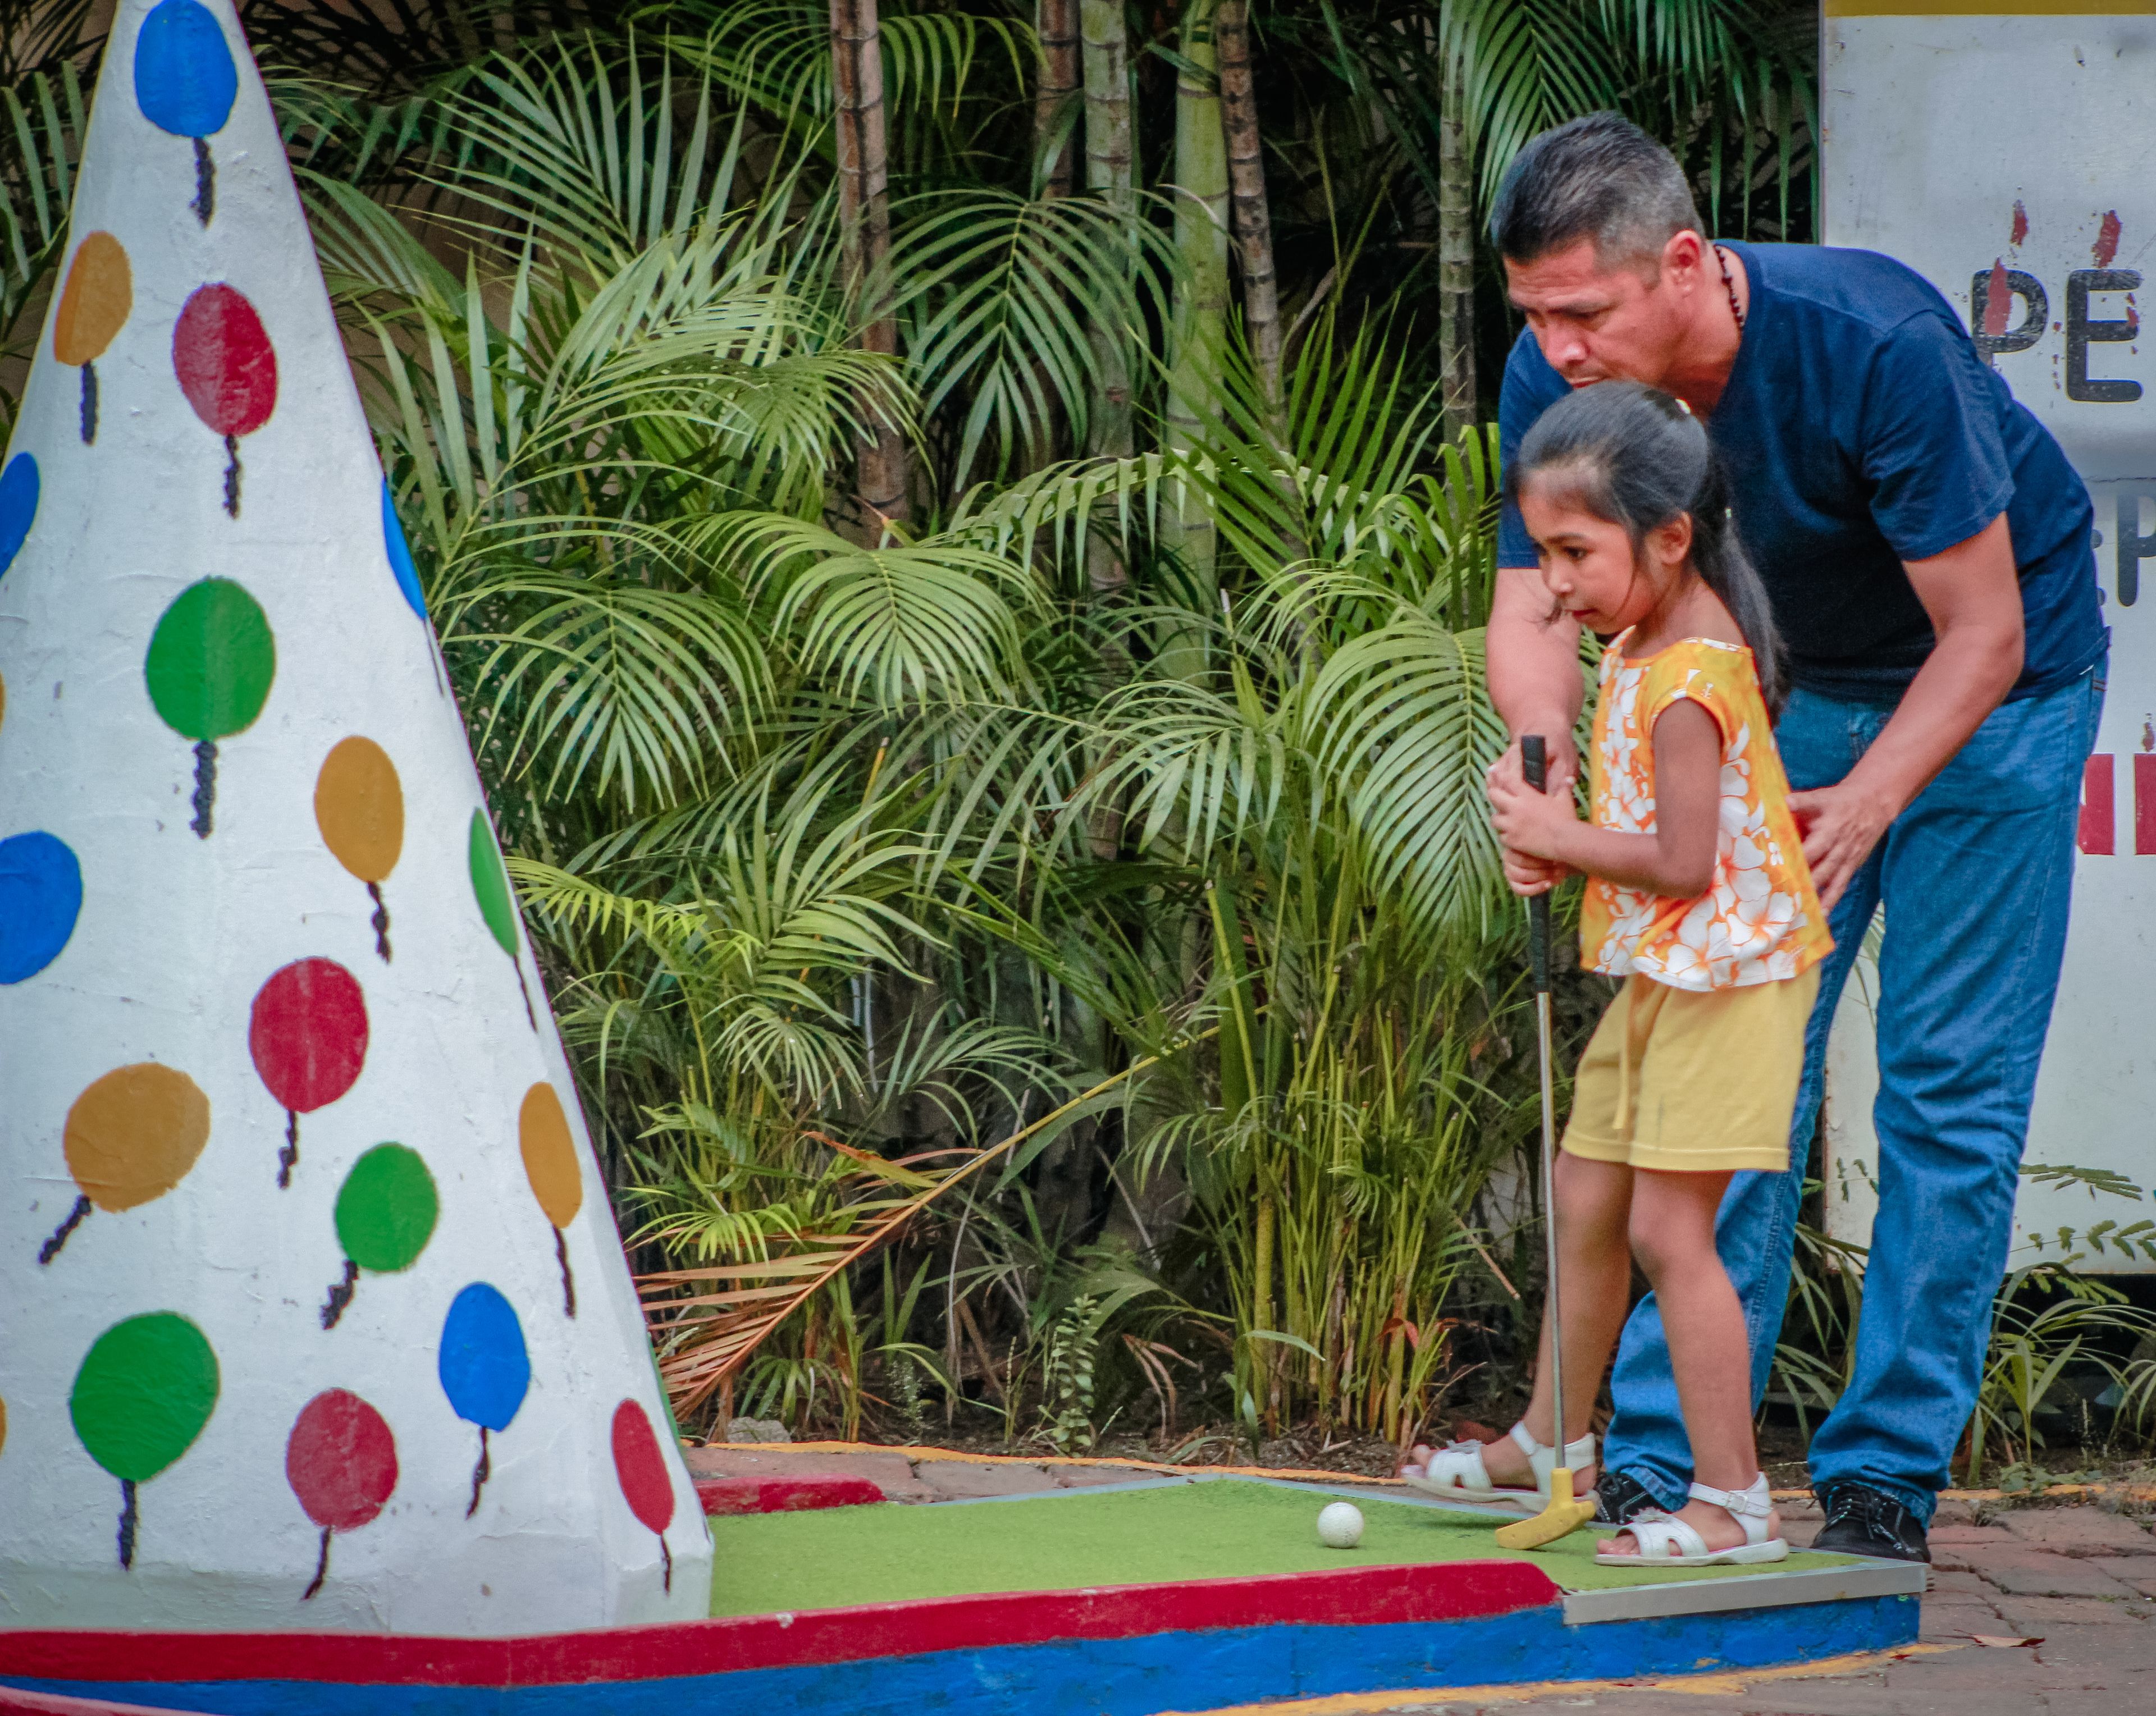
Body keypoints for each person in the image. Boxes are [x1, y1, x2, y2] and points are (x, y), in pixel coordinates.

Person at [1441, 113, 2107, 1563]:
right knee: (1728, 1067)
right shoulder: (1553, 376)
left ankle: (1882, 1476)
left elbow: (1983, 631)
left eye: (1584, 312)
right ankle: (1669, 1464)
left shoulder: (1869, 343)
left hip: (1999, 688)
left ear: (1684, 265)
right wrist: (1542, 767)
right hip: (1780, 684)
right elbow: (1531, 608)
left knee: (1945, 1086)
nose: (1552, 349)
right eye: (1533, 315)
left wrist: (1870, 801)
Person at [1402, 380, 1827, 1563]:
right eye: (1540, 552)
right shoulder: (1640, 638)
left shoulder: (1693, 674)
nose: (1554, 583)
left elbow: (1684, 860)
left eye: (1576, 551)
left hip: (1731, 977)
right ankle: (1553, 1440)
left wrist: (1557, 838)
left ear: (1671, 534)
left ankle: (1736, 1500)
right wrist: (1563, 843)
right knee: (1586, 1188)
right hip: (1668, 968)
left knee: (1666, 1230)